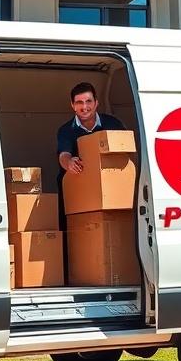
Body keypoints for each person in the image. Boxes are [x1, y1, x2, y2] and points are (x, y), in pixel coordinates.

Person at [56, 82, 126, 282]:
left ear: (96, 103)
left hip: (112, 193)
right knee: (75, 239)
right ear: (72, 105)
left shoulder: (113, 124)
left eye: (88, 101)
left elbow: (126, 150)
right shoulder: (66, 130)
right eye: (79, 102)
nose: (84, 107)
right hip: (78, 197)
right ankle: (75, 277)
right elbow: (63, 155)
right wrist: (69, 163)